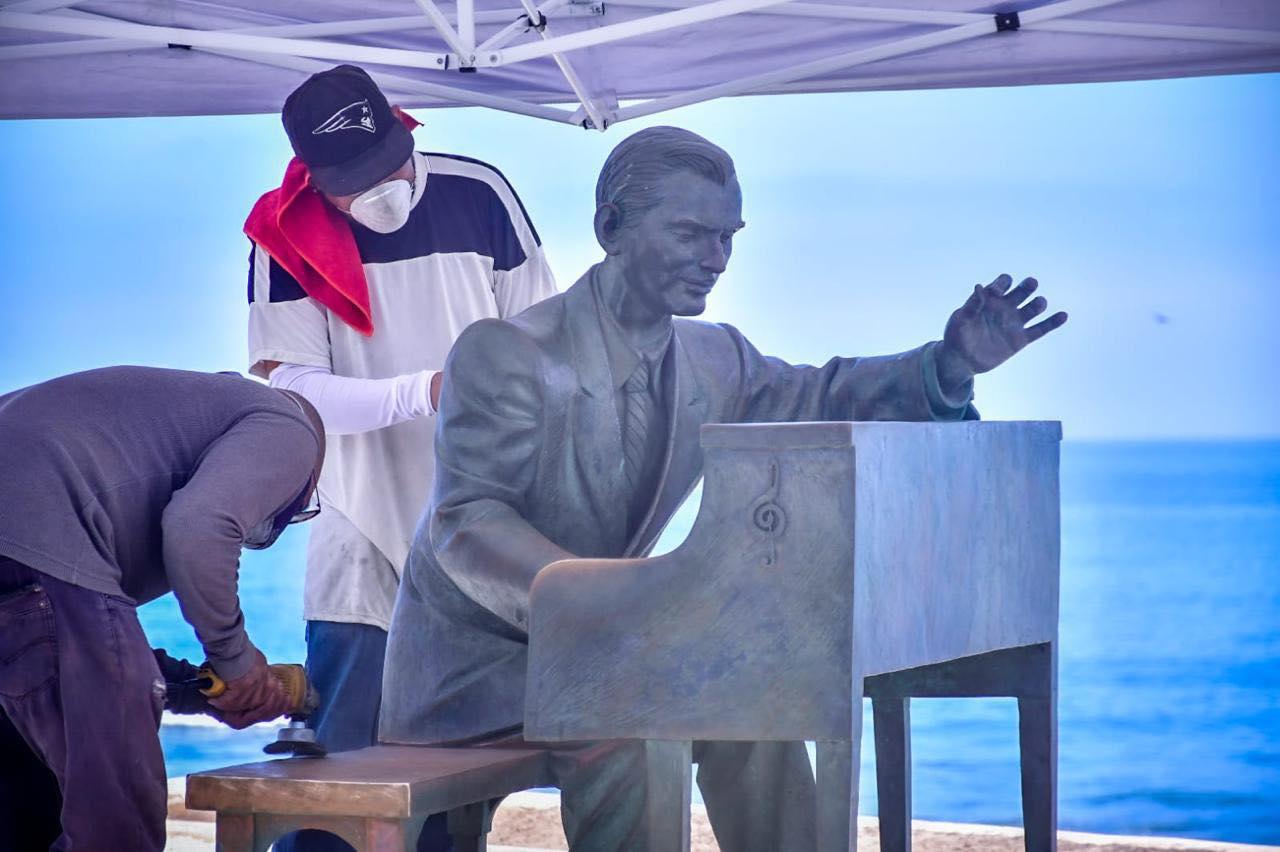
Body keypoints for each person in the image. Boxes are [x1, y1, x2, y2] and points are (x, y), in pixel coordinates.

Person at [380, 126, 1068, 850]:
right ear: (609, 226)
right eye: (689, 233)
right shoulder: (507, 352)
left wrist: (947, 367)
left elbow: (823, 396)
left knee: (756, 707)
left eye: (727, 237)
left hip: (609, 651)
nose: (715, 260)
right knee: (641, 728)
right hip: (480, 672)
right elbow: (467, 520)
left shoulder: (715, 359)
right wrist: (609, 603)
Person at [244, 64, 556, 850]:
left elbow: (546, 347)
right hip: (362, 532)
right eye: (351, 183)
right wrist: (426, 390)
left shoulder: (479, 193)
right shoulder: (281, 236)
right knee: (338, 785)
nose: (378, 191)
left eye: (386, 168)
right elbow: (297, 391)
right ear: (315, 177)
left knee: (456, 784)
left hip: (483, 533)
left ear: (404, 132)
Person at [0, 366, 325, 852]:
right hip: (34, 541)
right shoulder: (287, 424)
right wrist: (237, 662)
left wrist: (201, 691)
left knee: (23, 812)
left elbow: (64, 646)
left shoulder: (138, 433)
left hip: (25, 561)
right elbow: (198, 528)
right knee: (115, 828)